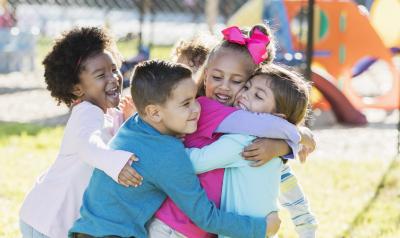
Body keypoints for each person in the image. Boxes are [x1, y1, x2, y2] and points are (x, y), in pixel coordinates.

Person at [69, 59, 281, 238]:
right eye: (186, 104)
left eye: (195, 100)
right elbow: (205, 217)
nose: (197, 109)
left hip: (85, 229)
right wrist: (261, 227)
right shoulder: (168, 155)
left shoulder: (135, 124)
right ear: (154, 113)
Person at [152, 24, 317, 237]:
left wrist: (281, 147)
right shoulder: (206, 108)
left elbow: (280, 175)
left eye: (239, 82)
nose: (225, 87)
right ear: (206, 74)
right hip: (176, 224)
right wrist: (297, 136)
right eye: (217, 77)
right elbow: (263, 123)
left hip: (205, 226)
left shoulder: (245, 131)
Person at [19, 27, 142, 238]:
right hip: (47, 220)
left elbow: (119, 139)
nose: (113, 78)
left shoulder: (111, 112)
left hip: (60, 219)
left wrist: (129, 118)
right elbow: (89, 146)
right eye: (100, 75)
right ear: (78, 89)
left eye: (114, 69)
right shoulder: (86, 113)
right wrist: (115, 163)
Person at [187, 63, 314, 238]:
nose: (244, 95)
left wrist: (166, 145)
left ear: (278, 120)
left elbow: (195, 162)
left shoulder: (243, 142)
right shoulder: (274, 148)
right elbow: (292, 191)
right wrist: (307, 229)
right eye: (246, 87)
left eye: (258, 96)